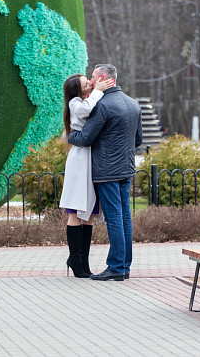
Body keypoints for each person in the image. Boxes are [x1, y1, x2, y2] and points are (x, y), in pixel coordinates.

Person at [68, 64, 142, 281]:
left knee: (114, 218)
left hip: (107, 171)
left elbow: (85, 138)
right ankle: (125, 266)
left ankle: (116, 267)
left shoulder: (102, 105)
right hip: (126, 169)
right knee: (125, 217)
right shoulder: (133, 103)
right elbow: (138, 140)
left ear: (102, 78)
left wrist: (70, 136)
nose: (91, 80)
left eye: (92, 76)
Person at [60, 73, 114, 278]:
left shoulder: (86, 100)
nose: (91, 84)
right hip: (80, 160)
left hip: (90, 160)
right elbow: (85, 110)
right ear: (78, 90)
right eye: (86, 83)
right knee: (75, 210)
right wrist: (98, 91)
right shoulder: (75, 103)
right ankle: (75, 258)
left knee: (89, 212)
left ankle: (83, 261)